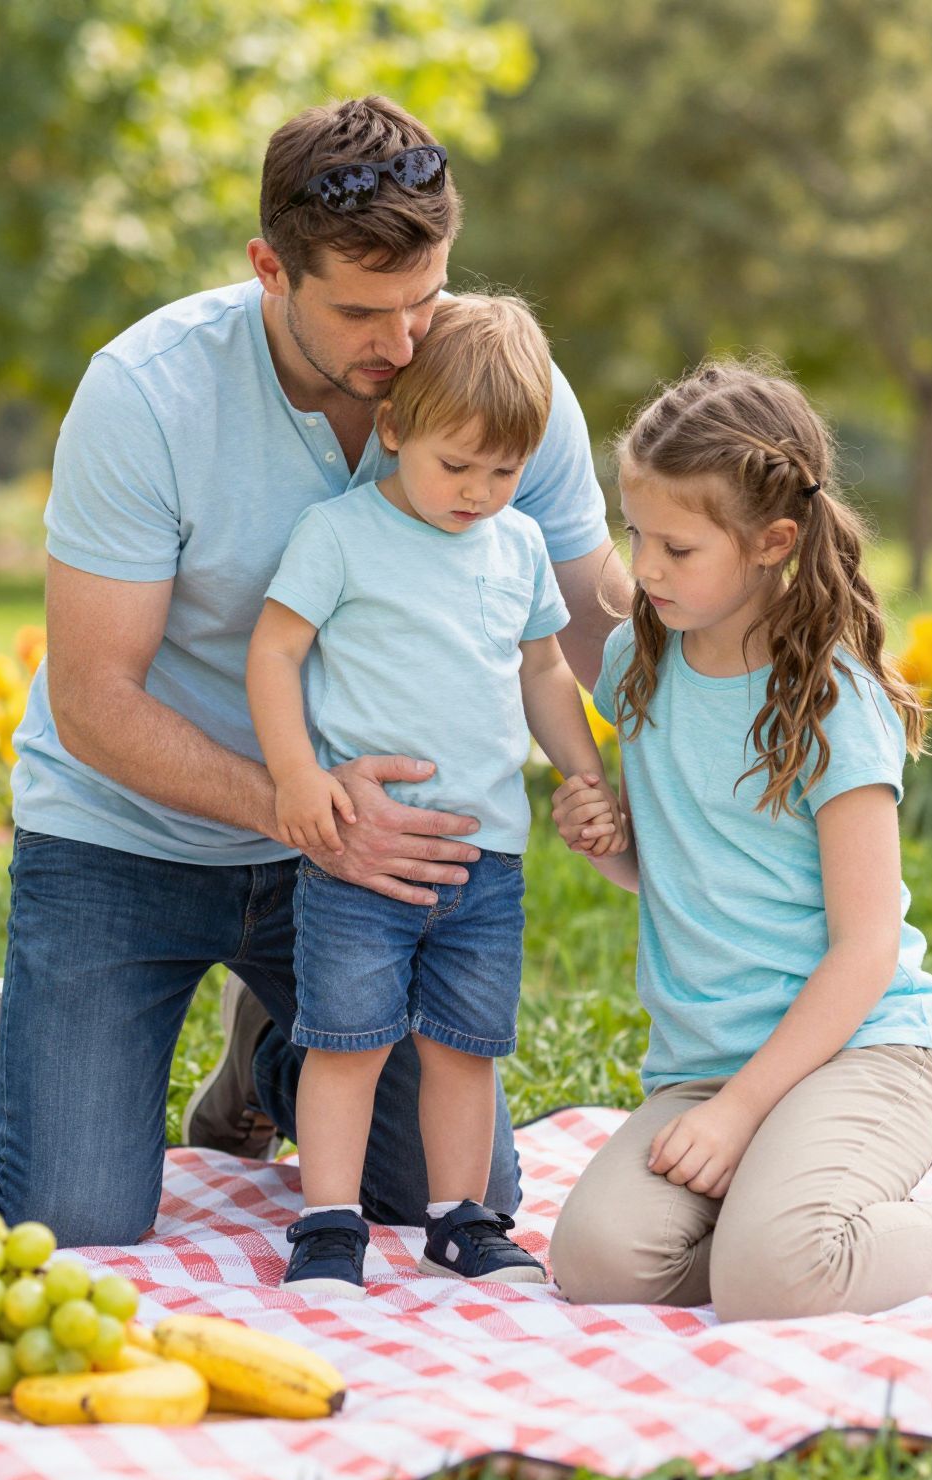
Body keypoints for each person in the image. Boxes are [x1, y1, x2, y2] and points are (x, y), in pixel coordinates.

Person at [0, 96, 632, 1247]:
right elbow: (94, 702)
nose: (400, 347)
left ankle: (276, 1057)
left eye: (423, 299)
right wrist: (303, 811)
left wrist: (719, 725)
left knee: (447, 1195)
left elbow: (592, 621)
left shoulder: (489, 386)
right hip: (125, 834)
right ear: (268, 270)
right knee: (72, 1216)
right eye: (359, 311)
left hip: (355, 867)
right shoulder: (146, 394)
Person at [547, 360, 932, 1320]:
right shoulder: (640, 660)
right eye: (636, 536)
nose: (646, 569)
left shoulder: (830, 700)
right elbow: (665, 866)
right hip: (704, 1065)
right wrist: (606, 840)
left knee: (773, 1284)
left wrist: (743, 1112)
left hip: (864, 1056)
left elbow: (868, 948)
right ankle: (786, 1219)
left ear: (772, 542)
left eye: (676, 545)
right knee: (597, 1265)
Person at [248, 294, 627, 1296]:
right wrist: (296, 774)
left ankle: (462, 1219)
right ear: (394, 428)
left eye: (503, 471)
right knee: (348, 1043)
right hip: (361, 858)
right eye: (455, 465)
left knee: (464, 1047)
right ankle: (328, 1222)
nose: (475, 491)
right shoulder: (340, 535)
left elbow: (542, 672)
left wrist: (584, 775)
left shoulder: (517, 548)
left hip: (482, 860)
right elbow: (275, 651)